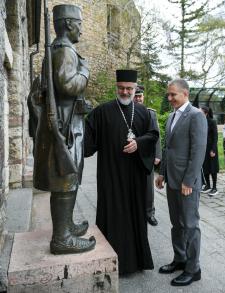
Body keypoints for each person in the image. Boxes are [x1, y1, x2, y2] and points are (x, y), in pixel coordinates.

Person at [30, 4, 96, 254]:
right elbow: (68, 85)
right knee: (65, 179)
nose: (81, 29)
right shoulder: (65, 51)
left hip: (67, 122)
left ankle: (66, 225)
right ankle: (62, 238)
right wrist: (85, 71)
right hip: (65, 127)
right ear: (68, 24)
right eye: (79, 23)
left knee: (69, 178)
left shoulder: (59, 49)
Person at [84, 69, 159, 275]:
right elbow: (87, 140)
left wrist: (139, 143)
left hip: (134, 176)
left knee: (135, 214)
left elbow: (153, 135)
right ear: (116, 88)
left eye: (129, 89)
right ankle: (108, 258)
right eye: (121, 88)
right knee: (112, 213)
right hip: (110, 175)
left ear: (135, 89)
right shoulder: (101, 112)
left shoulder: (144, 112)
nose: (125, 92)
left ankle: (136, 261)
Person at [155, 78, 207, 287]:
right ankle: (180, 259)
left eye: (173, 94)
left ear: (185, 93)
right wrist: (162, 173)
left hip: (187, 182)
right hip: (172, 180)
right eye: (168, 94)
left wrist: (189, 180)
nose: (170, 98)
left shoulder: (196, 116)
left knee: (190, 225)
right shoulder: (171, 117)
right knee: (177, 224)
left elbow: (198, 152)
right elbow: (168, 148)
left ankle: (193, 269)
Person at [134, 85, 162, 226]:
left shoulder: (150, 113)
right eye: (136, 96)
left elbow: (156, 135)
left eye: (140, 96)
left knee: (148, 188)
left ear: (143, 97)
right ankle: (134, 213)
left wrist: (157, 155)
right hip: (131, 157)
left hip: (147, 156)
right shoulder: (127, 112)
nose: (138, 98)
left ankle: (149, 213)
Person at [200, 106, 219, 196]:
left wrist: (213, 149)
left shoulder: (212, 122)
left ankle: (214, 188)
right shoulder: (200, 121)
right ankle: (208, 185)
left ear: (206, 113)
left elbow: (215, 137)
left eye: (201, 112)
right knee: (205, 167)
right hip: (203, 149)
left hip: (211, 149)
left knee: (213, 168)